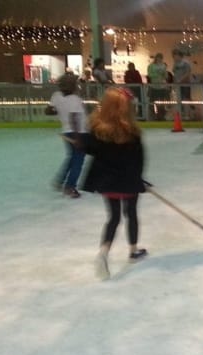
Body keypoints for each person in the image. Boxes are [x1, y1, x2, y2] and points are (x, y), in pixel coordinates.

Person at [80, 88, 147, 281]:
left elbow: (91, 150)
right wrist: (139, 179)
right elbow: (138, 161)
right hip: (127, 182)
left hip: (107, 183)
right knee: (131, 213)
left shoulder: (97, 130)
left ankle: (103, 252)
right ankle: (133, 251)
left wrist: (81, 142)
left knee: (114, 217)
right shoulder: (133, 133)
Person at [49, 73, 86, 198]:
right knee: (78, 161)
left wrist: (58, 109)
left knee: (71, 158)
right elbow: (74, 119)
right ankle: (70, 186)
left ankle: (60, 181)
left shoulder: (56, 96)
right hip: (78, 132)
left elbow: (48, 110)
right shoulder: (75, 99)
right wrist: (77, 138)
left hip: (66, 131)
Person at [147, 53, 168, 120]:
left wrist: (163, 75)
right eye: (158, 58)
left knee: (161, 102)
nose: (159, 59)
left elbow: (166, 76)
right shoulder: (151, 66)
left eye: (160, 58)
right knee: (152, 102)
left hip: (162, 86)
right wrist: (157, 74)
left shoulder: (163, 66)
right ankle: (153, 115)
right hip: (154, 86)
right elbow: (149, 74)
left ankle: (161, 115)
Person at [172, 49, 193, 118]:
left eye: (175, 55)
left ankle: (187, 115)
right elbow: (174, 73)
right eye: (174, 56)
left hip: (185, 84)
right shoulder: (175, 64)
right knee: (178, 99)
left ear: (179, 56)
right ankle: (180, 114)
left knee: (186, 99)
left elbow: (187, 73)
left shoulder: (185, 63)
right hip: (177, 84)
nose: (174, 57)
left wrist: (180, 80)